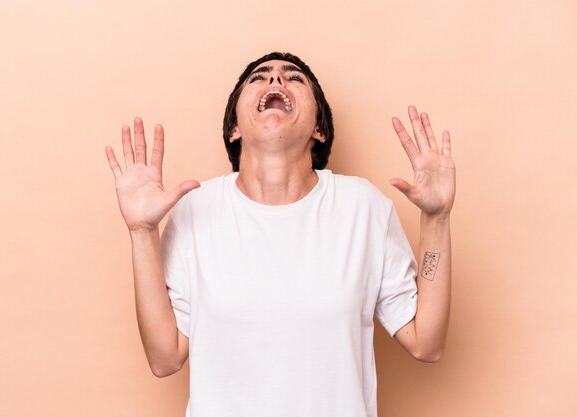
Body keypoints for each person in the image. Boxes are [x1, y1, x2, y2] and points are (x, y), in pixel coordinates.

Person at [104, 52, 455, 417]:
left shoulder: (363, 207)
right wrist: (143, 231)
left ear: (319, 129)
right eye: (258, 77)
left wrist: (438, 218)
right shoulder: (196, 210)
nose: (275, 80)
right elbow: (164, 358)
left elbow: (426, 342)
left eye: (294, 78)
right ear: (233, 129)